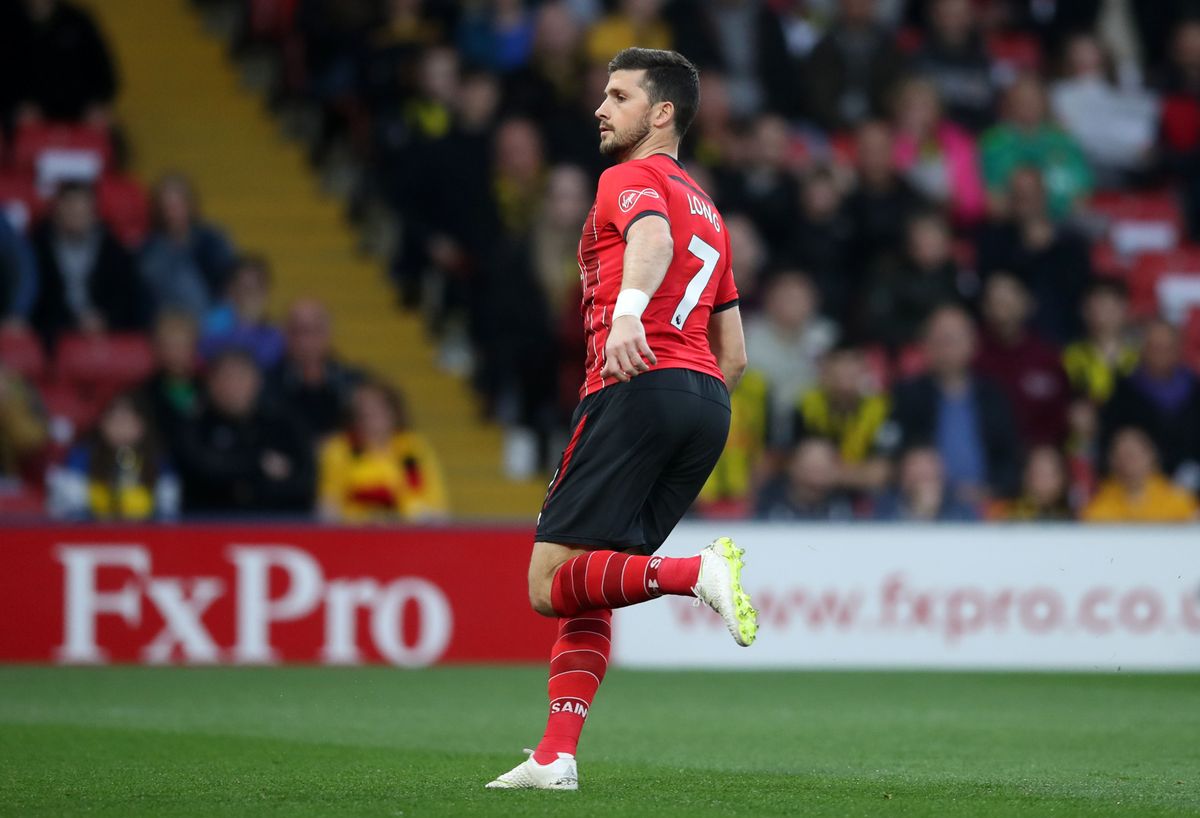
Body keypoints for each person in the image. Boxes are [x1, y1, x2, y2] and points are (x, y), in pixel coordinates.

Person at [487, 47, 756, 792]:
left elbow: (651, 241)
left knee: (550, 582)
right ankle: (555, 755)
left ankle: (692, 572)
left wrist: (632, 318)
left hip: (634, 384)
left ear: (661, 113)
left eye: (618, 95)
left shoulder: (629, 178)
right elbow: (734, 353)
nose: (601, 109)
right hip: (704, 403)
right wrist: (694, 394)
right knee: (594, 580)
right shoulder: (712, 211)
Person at [889, 305, 1021, 504]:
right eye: (940, 339)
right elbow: (896, 456)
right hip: (921, 507)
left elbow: (1010, 459)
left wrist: (989, 491)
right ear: (925, 345)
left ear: (973, 343)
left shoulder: (994, 396)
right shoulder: (907, 395)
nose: (947, 347)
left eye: (954, 339)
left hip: (989, 506)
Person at [174, 349, 314, 515]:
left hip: (273, 523)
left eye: (241, 378)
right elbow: (202, 471)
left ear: (257, 381)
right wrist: (258, 463)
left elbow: (303, 483)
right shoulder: (195, 424)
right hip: (208, 525)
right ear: (211, 383)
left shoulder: (281, 424)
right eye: (226, 378)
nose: (233, 387)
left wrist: (245, 481)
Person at [30, 181, 147, 347]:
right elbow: (38, 299)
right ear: (57, 210)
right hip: (55, 331)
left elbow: (126, 296)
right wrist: (74, 321)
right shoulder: (38, 247)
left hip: (106, 328)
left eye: (83, 209)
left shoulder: (111, 248)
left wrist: (105, 320)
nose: (77, 215)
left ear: (93, 212)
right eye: (70, 208)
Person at [317, 377, 448, 522]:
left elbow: (435, 500)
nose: (369, 415)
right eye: (363, 411)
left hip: (409, 532)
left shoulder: (413, 447)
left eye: (376, 409)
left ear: (393, 413)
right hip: (357, 534)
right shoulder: (340, 449)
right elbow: (329, 503)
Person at [973, 272, 1071, 447]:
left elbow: (1061, 417)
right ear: (985, 307)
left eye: (1008, 302)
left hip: (1040, 459)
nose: (1002, 309)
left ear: (1027, 304)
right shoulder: (973, 356)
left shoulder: (1048, 358)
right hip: (988, 459)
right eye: (996, 302)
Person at [47, 392, 179, 520]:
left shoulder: (157, 461)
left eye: (127, 421)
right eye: (115, 420)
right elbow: (68, 510)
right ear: (103, 424)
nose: (120, 428)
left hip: (145, 535)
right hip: (92, 534)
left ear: (141, 426)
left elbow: (166, 512)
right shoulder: (81, 458)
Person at [1100, 321, 1200, 487]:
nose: (1160, 354)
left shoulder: (1195, 390)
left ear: (1178, 350)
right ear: (1142, 350)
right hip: (1137, 486)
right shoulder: (1123, 392)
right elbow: (1111, 443)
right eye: (1154, 347)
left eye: (1166, 347)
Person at [980, 74, 1093, 219]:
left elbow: (1081, 195)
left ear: (1044, 102)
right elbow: (993, 200)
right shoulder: (993, 142)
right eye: (1022, 99)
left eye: (1034, 98)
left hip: (1062, 226)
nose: (1028, 104)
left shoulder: (1063, 141)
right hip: (1010, 225)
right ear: (1009, 102)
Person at [792, 344, 892, 496]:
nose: (844, 381)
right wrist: (858, 473)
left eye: (851, 373)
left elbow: (881, 473)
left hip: (870, 501)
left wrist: (828, 474)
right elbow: (798, 468)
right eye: (838, 372)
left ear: (865, 372)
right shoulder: (807, 407)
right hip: (817, 498)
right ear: (824, 373)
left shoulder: (881, 409)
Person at [138, 173, 237, 321]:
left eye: (177, 203)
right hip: (166, 329)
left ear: (191, 203)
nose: (171, 211)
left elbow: (231, 284)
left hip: (211, 325)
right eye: (166, 205)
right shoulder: (148, 250)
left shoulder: (214, 241)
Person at [742, 271, 837, 424]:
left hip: (811, 424)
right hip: (757, 420)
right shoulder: (747, 334)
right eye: (787, 298)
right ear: (769, 300)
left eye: (800, 298)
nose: (793, 304)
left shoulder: (827, 337)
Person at [890, 76, 986, 227]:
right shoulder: (887, 143)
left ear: (938, 111)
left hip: (952, 226)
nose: (917, 114)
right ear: (898, 111)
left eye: (925, 106)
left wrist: (953, 204)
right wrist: (910, 144)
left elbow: (973, 205)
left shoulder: (959, 143)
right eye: (910, 107)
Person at [267, 300, 363, 441]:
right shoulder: (266, 384)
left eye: (314, 330)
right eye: (297, 331)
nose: (306, 341)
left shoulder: (355, 382)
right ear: (285, 334)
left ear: (328, 333)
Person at [1083, 427, 1198, 523]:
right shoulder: (1098, 501)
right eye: (1120, 456)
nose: (1126, 462)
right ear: (1111, 461)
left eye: (1132, 455)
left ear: (1151, 456)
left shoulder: (1178, 498)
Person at [199, 255, 286, 369]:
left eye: (254, 289)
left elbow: (267, 358)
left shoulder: (274, 332)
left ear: (266, 292)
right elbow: (208, 352)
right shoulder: (212, 322)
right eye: (242, 288)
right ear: (230, 290)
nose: (247, 297)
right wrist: (244, 325)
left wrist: (248, 324)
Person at [754, 438, 856, 521]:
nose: (816, 476)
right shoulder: (767, 502)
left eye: (822, 467)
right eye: (811, 466)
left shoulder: (852, 503)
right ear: (793, 466)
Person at [873, 446, 979, 521]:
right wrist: (919, 512)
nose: (926, 484)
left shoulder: (962, 512)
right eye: (919, 476)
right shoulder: (883, 511)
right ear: (903, 480)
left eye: (931, 475)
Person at [990, 444, 1073, 521]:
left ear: (1063, 478)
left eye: (1049, 474)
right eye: (1039, 473)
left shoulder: (1078, 519)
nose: (1044, 481)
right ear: (1026, 476)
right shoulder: (1004, 515)